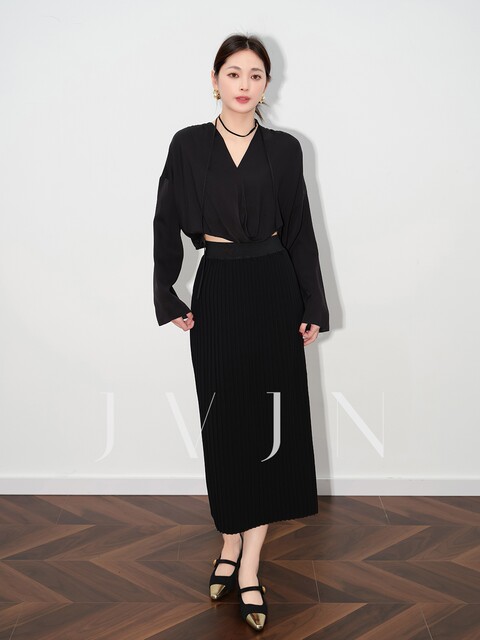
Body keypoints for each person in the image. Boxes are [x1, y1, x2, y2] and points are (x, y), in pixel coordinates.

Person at [153, 34, 329, 632]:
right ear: (215, 80)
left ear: (266, 84)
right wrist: (166, 293)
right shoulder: (187, 144)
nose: (245, 84)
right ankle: (228, 538)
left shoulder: (284, 149)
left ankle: (249, 563)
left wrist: (312, 303)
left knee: (267, 426)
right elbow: (165, 221)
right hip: (219, 288)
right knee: (225, 424)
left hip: (274, 289)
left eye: (256, 74)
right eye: (234, 73)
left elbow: (300, 229)